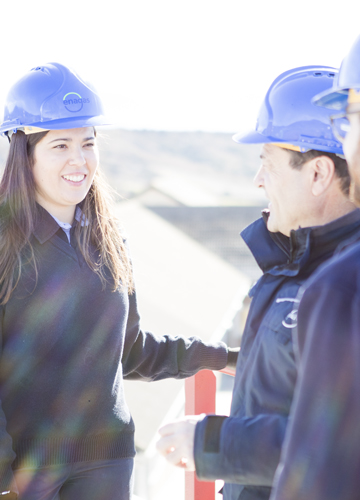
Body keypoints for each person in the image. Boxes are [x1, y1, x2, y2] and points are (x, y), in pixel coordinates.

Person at [0, 62, 237, 500]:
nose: (80, 160)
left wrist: (223, 357)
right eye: (60, 145)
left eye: (89, 144)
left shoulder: (107, 238)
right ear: (24, 153)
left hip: (107, 466)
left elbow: (128, 352)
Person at [156, 66, 360, 500]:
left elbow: (340, 446)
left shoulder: (344, 286)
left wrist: (212, 443)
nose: (258, 179)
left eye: (267, 162)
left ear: (318, 174)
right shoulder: (293, 266)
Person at [270, 35, 360, 500]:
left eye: (351, 118)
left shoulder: (341, 291)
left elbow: (318, 473)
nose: (346, 139)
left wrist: (212, 443)